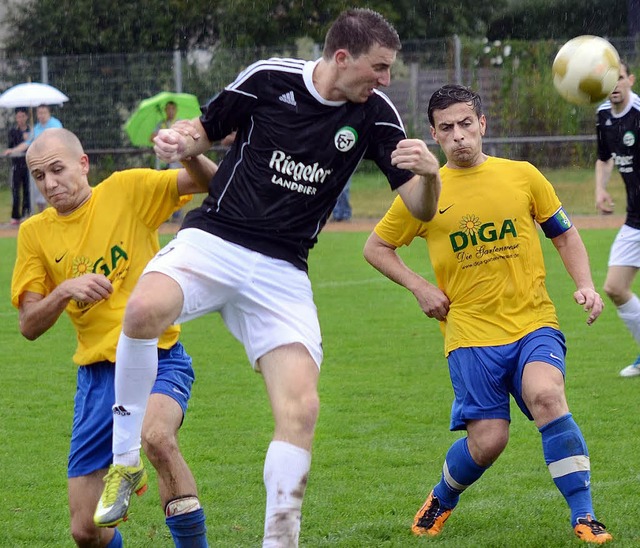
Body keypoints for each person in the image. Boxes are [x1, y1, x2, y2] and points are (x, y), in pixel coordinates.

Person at [94, 8, 441, 546]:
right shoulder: (267, 78)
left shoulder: (376, 113)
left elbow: (419, 209)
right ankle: (124, 462)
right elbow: (202, 134)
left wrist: (431, 174)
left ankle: (281, 541)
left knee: (302, 408)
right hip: (216, 239)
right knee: (141, 311)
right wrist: (178, 142)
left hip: (283, 270)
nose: (385, 80)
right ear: (341, 57)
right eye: (379, 67)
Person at [363, 84, 612, 544]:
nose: (458, 136)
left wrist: (584, 285)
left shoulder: (522, 175)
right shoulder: (423, 194)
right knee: (489, 441)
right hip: (470, 333)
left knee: (547, 396)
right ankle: (443, 496)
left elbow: (563, 234)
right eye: (446, 128)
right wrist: (419, 286)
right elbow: (376, 247)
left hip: (533, 321)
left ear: (482, 125)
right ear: (434, 135)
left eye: (465, 124)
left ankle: (585, 514)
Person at [11, 127, 217, 547]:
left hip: (158, 356)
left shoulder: (127, 190)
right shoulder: (35, 233)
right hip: (97, 378)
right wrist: (65, 290)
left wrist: (189, 152)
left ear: (83, 164)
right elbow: (29, 324)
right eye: (39, 176)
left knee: (157, 438)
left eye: (57, 170)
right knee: (86, 530)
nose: (49, 183)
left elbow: (212, 182)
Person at [594, 60, 640, 377]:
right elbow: (604, 157)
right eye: (608, 80)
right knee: (614, 286)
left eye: (619, 78)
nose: (614, 85)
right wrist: (600, 189)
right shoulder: (603, 115)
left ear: (630, 80)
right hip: (635, 218)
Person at [6, 104, 63, 212]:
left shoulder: (55, 124)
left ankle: (60, 211)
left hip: (53, 162)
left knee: (56, 188)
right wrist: (12, 150)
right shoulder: (36, 128)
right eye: (39, 113)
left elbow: (57, 140)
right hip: (40, 164)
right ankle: (42, 212)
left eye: (43, 113)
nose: (41, 116)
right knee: (39, 190)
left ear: (48, 113)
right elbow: (27, 143)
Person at [3, 107, 30, 224]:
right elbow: (11, 147)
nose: (20, 119)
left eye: (22, 116)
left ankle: (26, 213)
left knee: (27, 190)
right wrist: (21, 138)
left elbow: (31, 146)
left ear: (26, 117)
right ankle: (15, 215)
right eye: (18, 117)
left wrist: (28, 138)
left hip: (27, 165)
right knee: (15, 190)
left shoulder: (31, 131)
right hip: (16, 165)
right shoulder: (13, 131)